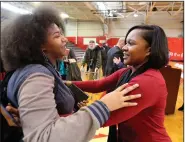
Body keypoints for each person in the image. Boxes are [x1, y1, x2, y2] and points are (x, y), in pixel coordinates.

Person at [1, 6, 141, 142]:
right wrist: (104, 105)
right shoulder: (37, 76)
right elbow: (44, 137)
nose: (65, 39)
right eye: (57, 36)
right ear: (40, 45)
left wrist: (30, 118)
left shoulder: (37, 70)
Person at [69, 25, 172, 142]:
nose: (124, 48)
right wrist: (66, 83)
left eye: (131, 43)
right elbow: (98, 85)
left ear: (149, 50)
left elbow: (106, 116)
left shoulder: (148, 81)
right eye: (126, 43)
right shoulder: (127, 71)